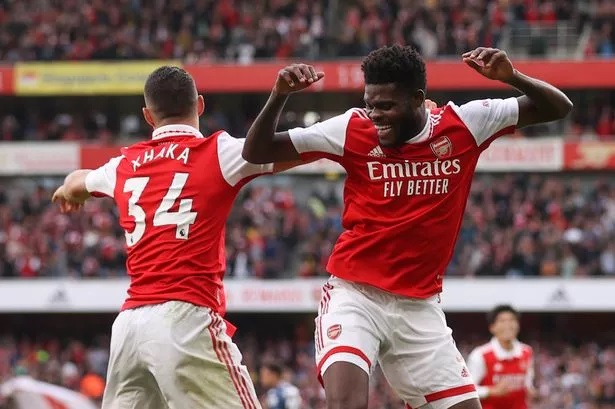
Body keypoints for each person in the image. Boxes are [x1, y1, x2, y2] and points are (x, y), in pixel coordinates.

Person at [241, 45, 572, 409]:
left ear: (417, 98)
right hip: (356, 295)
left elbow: (559, 107)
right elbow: (257, 152)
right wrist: (279, 96)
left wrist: (512, 78)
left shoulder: (466, 123)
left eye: (386, 106)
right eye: (370, 104)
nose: (375, 116)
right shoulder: (351, 128)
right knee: (347, 403)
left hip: (420, 307)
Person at [52, 66, 298, 409]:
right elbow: (292, 147)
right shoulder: (218, 151)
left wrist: (67, 191)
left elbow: (78, 180)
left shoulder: (124, 164)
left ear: (148, 116)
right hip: (185, 318)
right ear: (200, 105)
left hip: (129, 328)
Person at [467, 305, 535, 409]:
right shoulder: (481, 354)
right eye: (502, 321)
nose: (508, 325)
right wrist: (491, 391)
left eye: (512, 320)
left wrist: (530, 390)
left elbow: (527, 383)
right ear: (492, 327)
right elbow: (468, 390)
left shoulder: (527, 351)